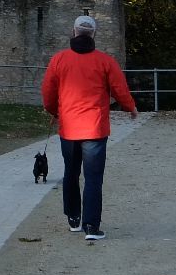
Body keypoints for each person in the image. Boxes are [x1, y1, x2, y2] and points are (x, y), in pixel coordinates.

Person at [41, 14, 138, 241]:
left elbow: (47, 92)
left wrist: (54, 110)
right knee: (93, 178)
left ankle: (74, 219)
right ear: (93, 34)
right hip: (94, 128)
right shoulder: (105, 61)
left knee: (71, 173)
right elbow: (119, 89)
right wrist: (130, 108)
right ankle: (92, 227)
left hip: (69, 128)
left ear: (73, 32)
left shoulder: (59, 60)